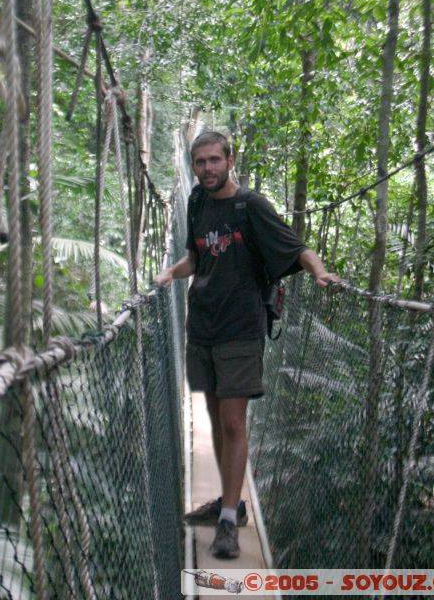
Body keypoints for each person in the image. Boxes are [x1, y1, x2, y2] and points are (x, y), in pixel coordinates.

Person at [154, 130, 338, 559]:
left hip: (241, 328)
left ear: (230, 160)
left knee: (234, 421)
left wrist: (319, 272)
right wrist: (169, 274)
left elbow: (297, 247)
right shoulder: (197, 202)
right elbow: (196, 258)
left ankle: (227, 521)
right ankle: (230, 503)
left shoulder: (250, 205)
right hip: (202, 325)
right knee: (217, 419)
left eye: (214, 160)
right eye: (200, 162)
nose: (207, 169)